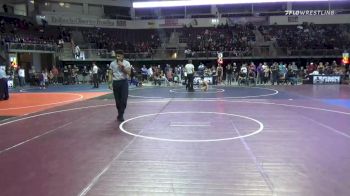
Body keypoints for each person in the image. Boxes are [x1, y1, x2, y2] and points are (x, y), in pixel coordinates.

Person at [108, 50, 131, 122]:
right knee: (118, 101)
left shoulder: (127, 63)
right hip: (116, 82)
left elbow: (129, 73)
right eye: (117, 56)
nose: (118, 57)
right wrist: (109, 83)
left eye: (119, 56)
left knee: (124, 100)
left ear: (122, 56)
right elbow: (110, 73)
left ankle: (121, 115)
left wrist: (122, 67)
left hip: (124, 82)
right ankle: (120, 114)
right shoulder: (112, 63)